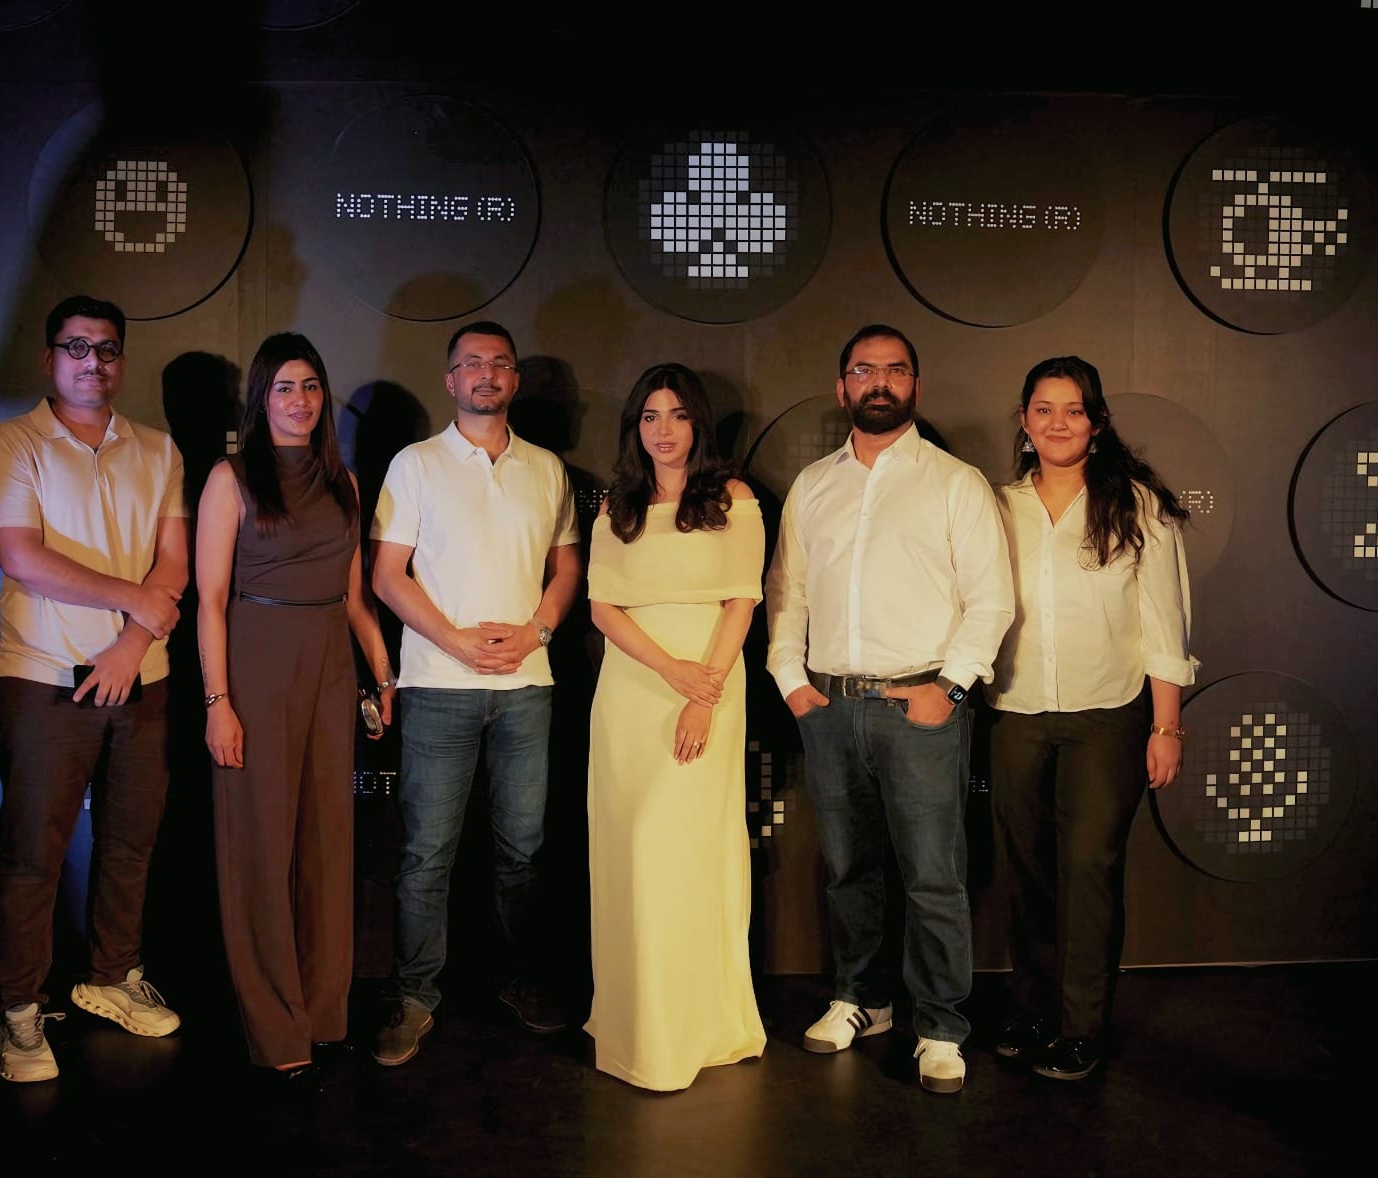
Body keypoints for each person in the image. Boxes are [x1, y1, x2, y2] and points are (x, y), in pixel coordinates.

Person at [764, 323, 1014, 1094]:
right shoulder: (813, 485)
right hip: (830, 705)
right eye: (864, 369)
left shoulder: (956, 482)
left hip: (922, 704)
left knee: (933, 874)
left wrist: (952, 688)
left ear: (915, 386)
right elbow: (787, 592)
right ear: (842, 387)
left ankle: (940, 1024)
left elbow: (992, 600)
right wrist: (790, 679)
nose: (880, 381)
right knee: (849, 868)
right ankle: (862, 999)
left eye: (895, 370)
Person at [0, 295, 188, 1083]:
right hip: (44, 683)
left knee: (131, 844)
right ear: (49, 358)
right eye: (75, 346)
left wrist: (132, 644)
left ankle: (111, 977)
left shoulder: (158, 450)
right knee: (31, 856)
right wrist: (133, 601)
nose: (91, 361)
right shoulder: (13, 442)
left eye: (105, 348)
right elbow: (20, 555)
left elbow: (174, 561)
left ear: (120, 360)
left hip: (145, 681)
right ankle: (18, 1010)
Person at [369, 319, 581, 1066]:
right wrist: (454, 640)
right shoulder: (415, 464)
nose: (486, 374)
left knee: (524, 849)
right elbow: (386, 574)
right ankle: (414, 995)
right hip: (437, 685)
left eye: (499, 363)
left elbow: (566, 567)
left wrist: (537, 631)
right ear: (451, 380)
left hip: (527, 687)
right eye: (471, 364)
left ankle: (518, 981)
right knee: (427, 851)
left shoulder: (547, 469)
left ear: (515, 379)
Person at [987, 355, 1198, 1082]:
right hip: (1015, 712)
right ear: (1024, 421)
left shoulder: (1138, 506)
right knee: (1028, 871)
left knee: (1088, 869)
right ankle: (1032, 1009)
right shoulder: (995, 507)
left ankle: (1081, 1026)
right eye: (1043, 409)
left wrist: (1165, 727)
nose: (1058, 423)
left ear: (1098, 422)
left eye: (1073, 410)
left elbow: (1165, 625)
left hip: (1109, 717)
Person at [194, 332, 394, 1079]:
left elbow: (355, 598)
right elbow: (210, 601)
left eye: (310, 386)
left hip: (330, 669)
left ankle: (322, 1012)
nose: (300, 400)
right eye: (284, 387)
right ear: (261, 398)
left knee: (326, 846)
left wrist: (382, 672)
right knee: (260, 846)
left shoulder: (345, 483)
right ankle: (276, 1026)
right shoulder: (231, 478)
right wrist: (218, 701)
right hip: (256, 663)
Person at [585, 363, 767, 1091]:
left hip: (710, 685)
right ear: (635, 426)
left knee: (688, 849)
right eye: (650, 416)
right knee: (632, 850)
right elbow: (602, 606)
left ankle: (697, 1024)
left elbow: (742, 600)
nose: (664, 430)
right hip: (633, 689)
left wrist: (703, 691)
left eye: (678, 414)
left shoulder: (733, 498)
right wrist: (669, 671)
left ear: (699, 422)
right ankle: (637, 1022)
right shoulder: (616, 507)